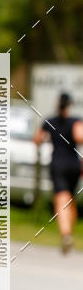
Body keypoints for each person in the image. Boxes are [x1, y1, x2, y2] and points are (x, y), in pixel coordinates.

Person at [34, 92, 83, 253]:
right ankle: (69, 231)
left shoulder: (50, 121)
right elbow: (79, 137)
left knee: (61, 200)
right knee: (70, 199)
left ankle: (66, 234)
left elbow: (37, 140)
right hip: (73, 164)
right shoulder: (75, 121)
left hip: (58, 164)